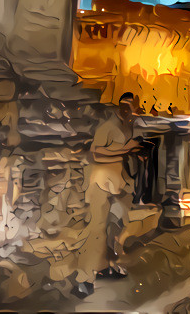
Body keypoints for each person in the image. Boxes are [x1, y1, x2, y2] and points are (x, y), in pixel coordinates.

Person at [73, 93, 141, 298]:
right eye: (125, 107)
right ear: (121, 107)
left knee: (116, 226)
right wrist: (124, 149)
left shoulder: (127, 126)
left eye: (131, 108)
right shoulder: (108, 127)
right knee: (97, 230)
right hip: (100, 184)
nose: (128, 112)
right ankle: (83, 279)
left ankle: (107, 266)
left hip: (116, 183)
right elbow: (96, 152)